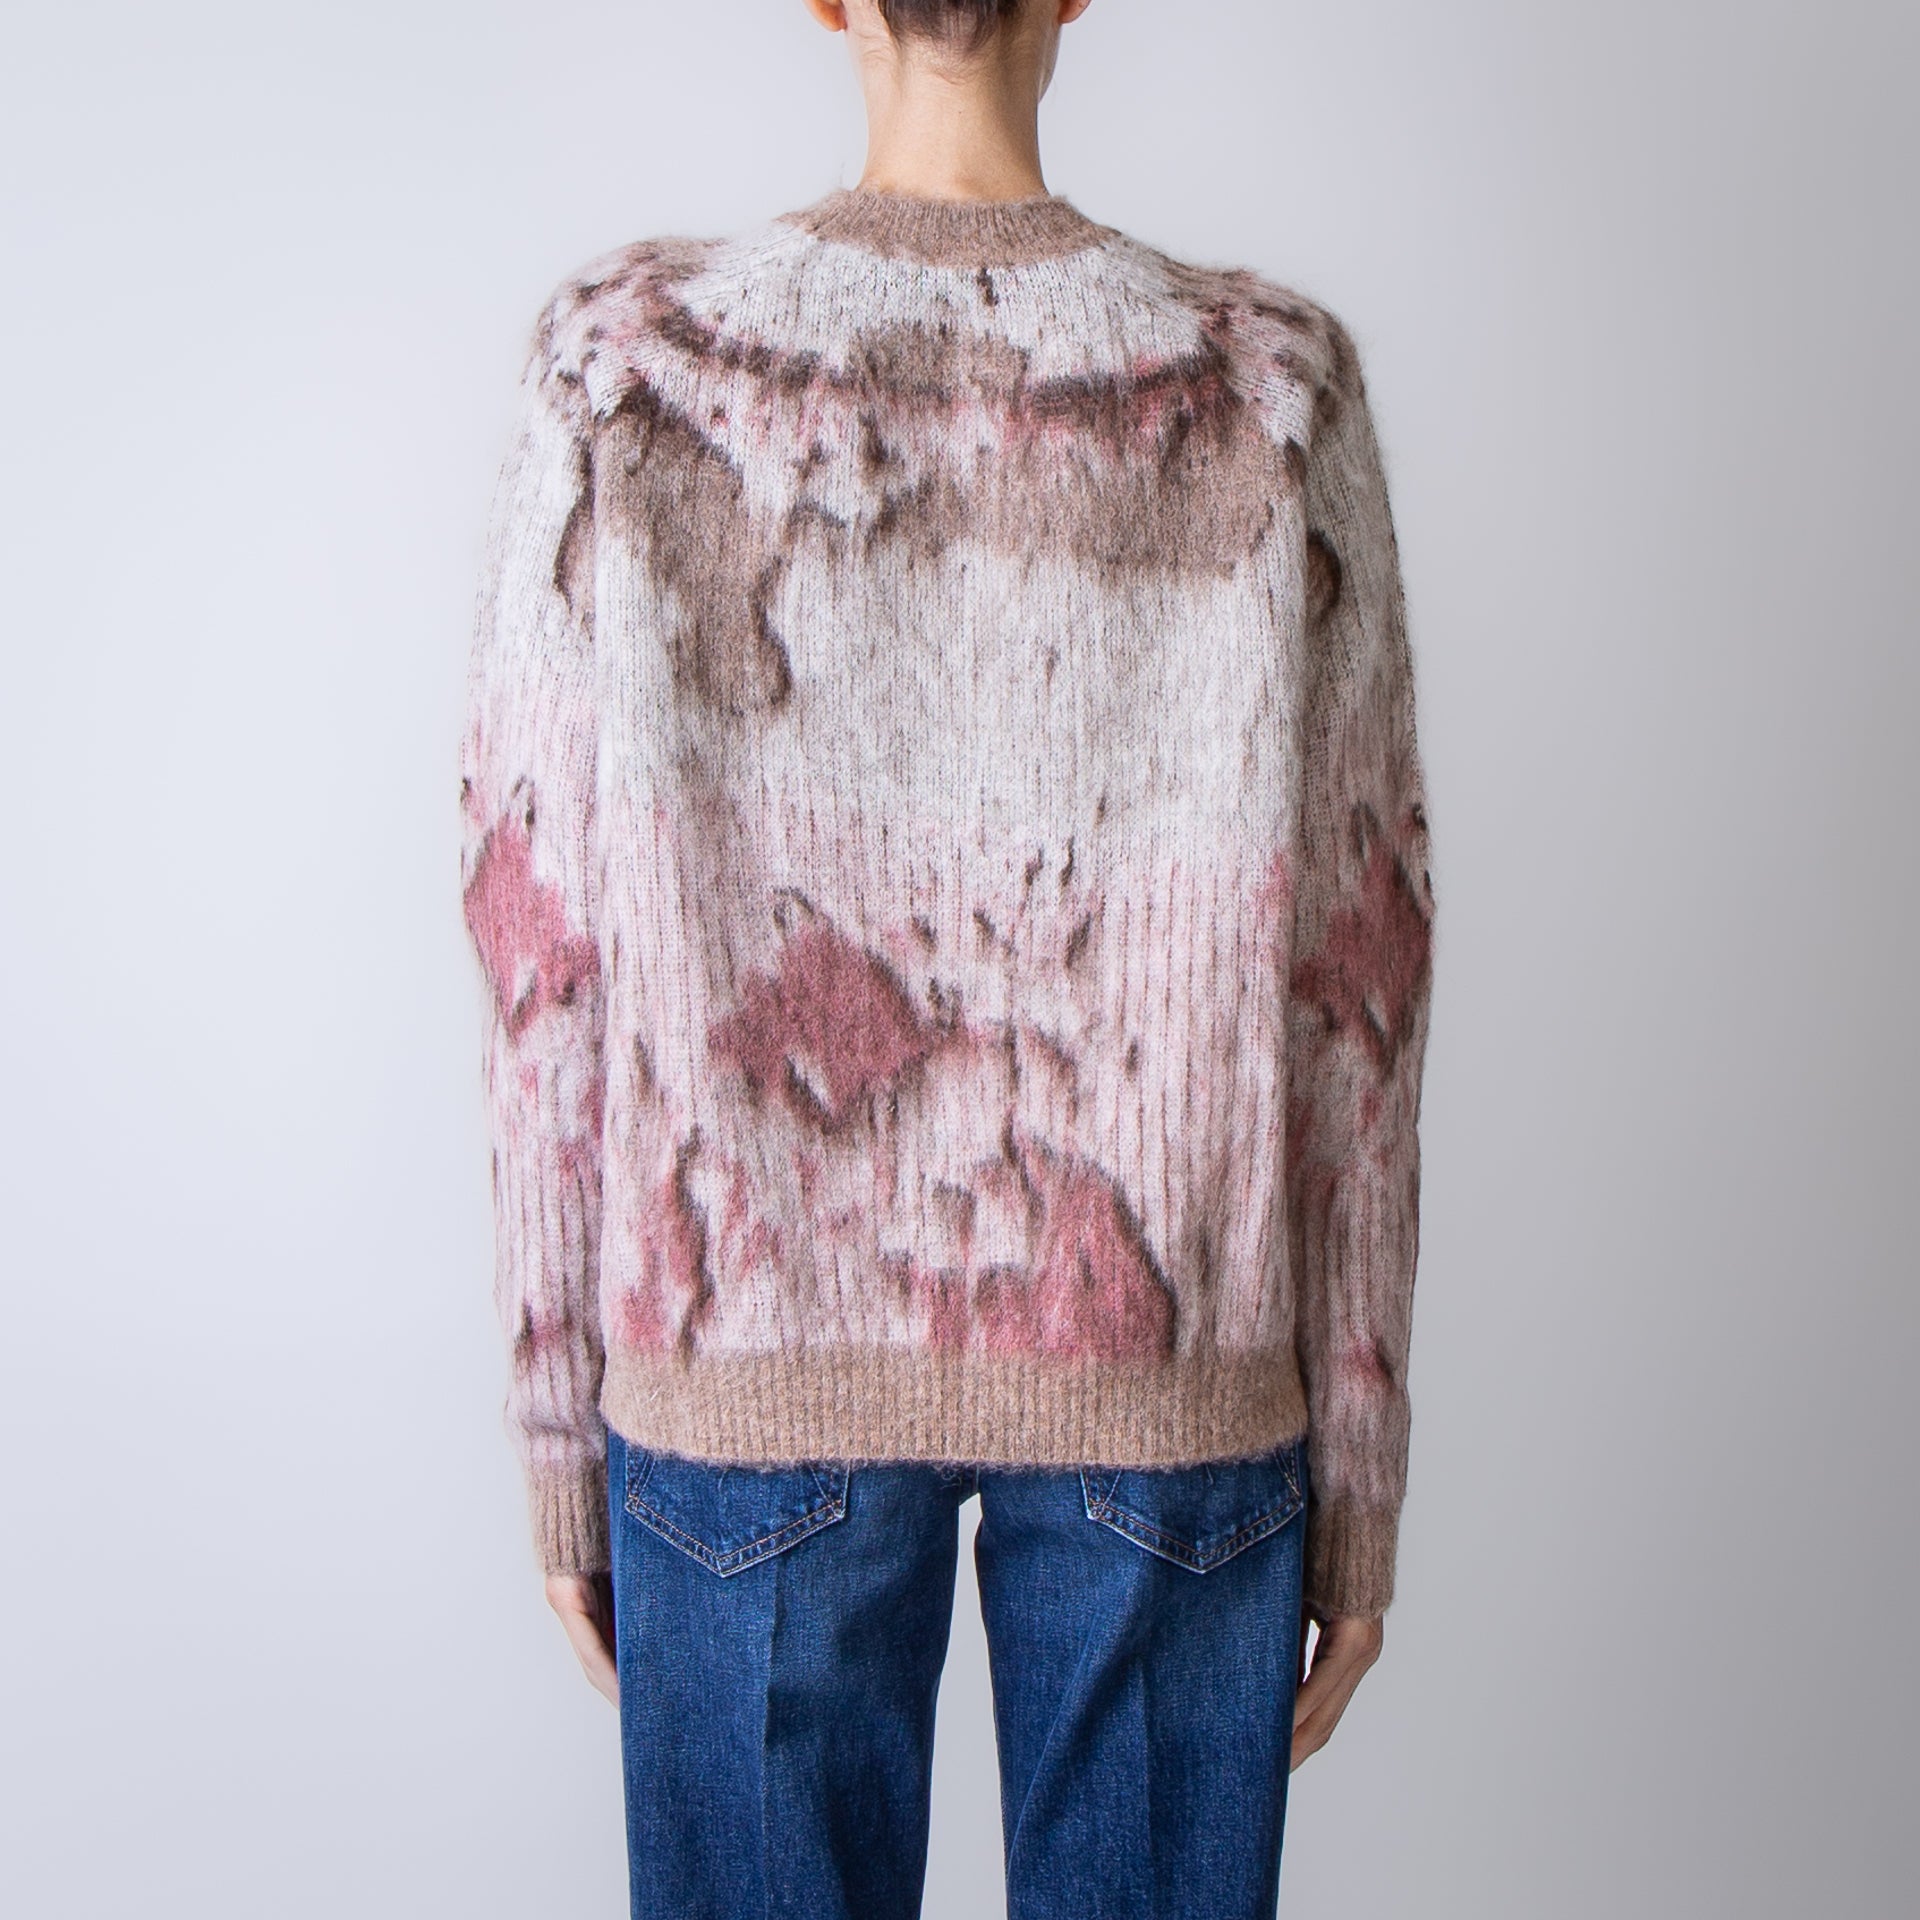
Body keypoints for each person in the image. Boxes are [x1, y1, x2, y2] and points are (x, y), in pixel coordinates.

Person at [457, 1, 1437, 1912]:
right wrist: (1365, 1469)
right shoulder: (1266, 386)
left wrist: (560, 1418)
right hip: (1172, 1365)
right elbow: (1364, 964)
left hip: (742, 1363)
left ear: (830, 1)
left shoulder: (628, 370)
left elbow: (532, 927)